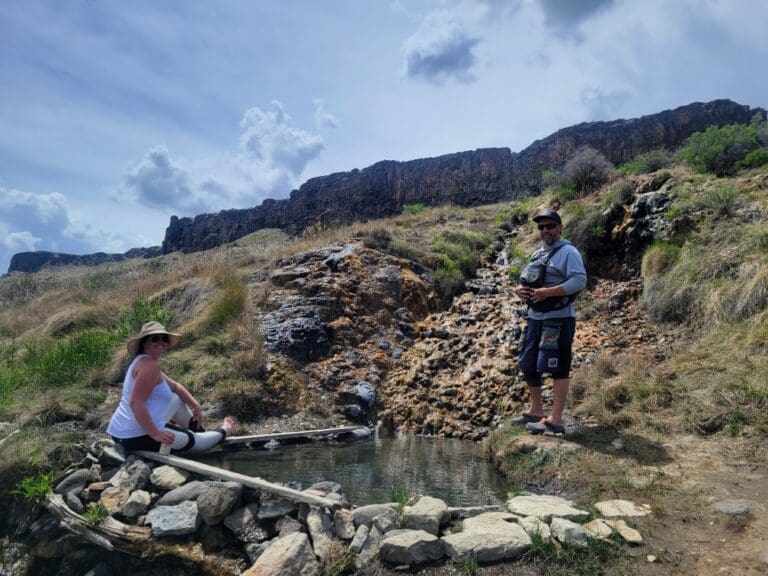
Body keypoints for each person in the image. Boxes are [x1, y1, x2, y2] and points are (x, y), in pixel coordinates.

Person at [512, 209, 587, 434]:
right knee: (528, 363)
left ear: (560, 227)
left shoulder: (569, 252)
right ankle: (536, 410)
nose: (545, 230)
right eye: (541, 227)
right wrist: (521, 290)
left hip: (559, 318)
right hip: (535, 317)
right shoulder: (537, 254)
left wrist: (548, 292)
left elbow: (580, 280)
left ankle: (555, 420)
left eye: (550, 226)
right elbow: (531, 280)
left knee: (557, 366)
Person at [107, 321, 234, 453]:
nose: (160, 342)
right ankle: (223, 431)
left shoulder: (144, 362)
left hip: (120, 432)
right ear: (144, 343)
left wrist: (195, 405)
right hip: (135, 436)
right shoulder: (150, 366)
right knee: (198, 443)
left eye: (164, 338)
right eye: (155, 339)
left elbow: (176, 387)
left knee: (177, 399)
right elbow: (136, 403)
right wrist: (156, 434)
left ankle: (198, 430)